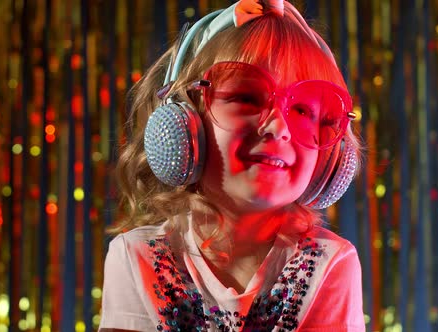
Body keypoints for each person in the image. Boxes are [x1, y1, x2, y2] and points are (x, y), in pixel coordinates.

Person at [99, 0, 365, 331]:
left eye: (302, 111)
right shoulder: (136, 256)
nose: (278, 128)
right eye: (246, 98)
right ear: (184, 124)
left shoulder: (330, 263)